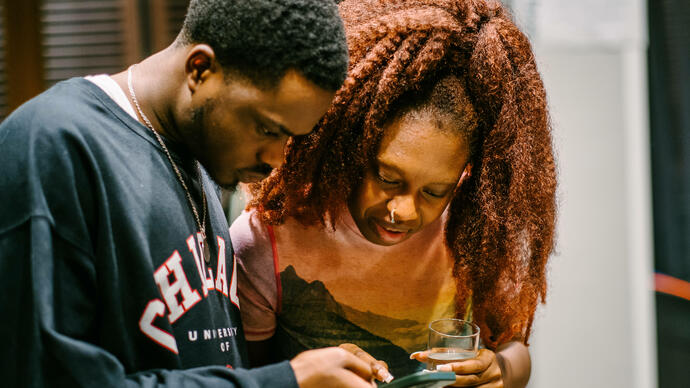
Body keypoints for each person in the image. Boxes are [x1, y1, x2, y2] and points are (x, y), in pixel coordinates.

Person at [0, 0, 379, 387]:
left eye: (290, 139)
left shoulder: (200, 158)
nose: (275, 159)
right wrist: (284, 381)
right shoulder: (54, 145)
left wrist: (308, 369)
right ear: (201, 69)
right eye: (267, 129)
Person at [230, 0, 557, 387]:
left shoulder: (472, 237)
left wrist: (501, 371)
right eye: (387, 177)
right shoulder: (266, 241)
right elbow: (251, 377)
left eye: (435, 191)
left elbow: (514, 351)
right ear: (351, 145)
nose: (403, 211)